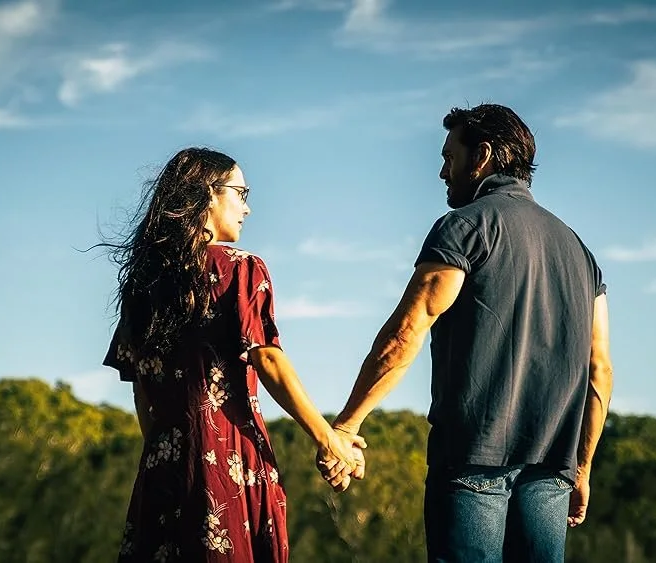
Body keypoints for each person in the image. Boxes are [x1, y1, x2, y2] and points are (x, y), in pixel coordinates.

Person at [320, 104, 614, 562]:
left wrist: (346, 425)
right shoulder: (580, 252)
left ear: (482, 156)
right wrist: (583, 468)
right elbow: (600, 371)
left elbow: (407, 331)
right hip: (552, 470)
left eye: (449, 157)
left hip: (473, 460)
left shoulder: (465, 226)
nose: (442, 172)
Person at [101, 147, 364, 563]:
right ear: (209, 193)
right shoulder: (240, 268)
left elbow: (141, 392)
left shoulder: (142, 285)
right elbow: (268, 359)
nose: (247, 207)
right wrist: (329, 441)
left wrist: (170, 455)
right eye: (241, 193)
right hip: (229, 463)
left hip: (162, 472)